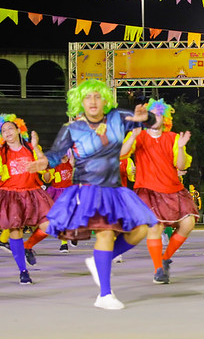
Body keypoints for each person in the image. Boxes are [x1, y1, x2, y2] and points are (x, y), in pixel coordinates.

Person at [26, 80, 158, 309]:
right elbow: (57, 154)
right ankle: (105, 295)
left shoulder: (118, 118)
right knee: (105, 233)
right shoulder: (73, 129)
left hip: (115, 190)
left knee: (141, 230)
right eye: (88, 97)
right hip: (88, 189)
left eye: (97, 96)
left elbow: (153, 122)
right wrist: (44, 162)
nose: (93, 101)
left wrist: (144, 118)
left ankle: (99, 262)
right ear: (81, 102)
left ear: (105, 99)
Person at [125, 99, 198, 284]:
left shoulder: (173, 138)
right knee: (154, 227)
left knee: (188, 223)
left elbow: (180, 165)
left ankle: (165, 258)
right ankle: (158, 269)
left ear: (165, 118)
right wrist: (133, 135)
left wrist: (181, 147)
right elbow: (121, 154)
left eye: (158, 115)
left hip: (172, 188)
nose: (154, 118)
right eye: (151, 114)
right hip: (148, 190)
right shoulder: (138, 136)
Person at [0, 114, 52, 285]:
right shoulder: (1, 153)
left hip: (33, 193)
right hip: (11, 195)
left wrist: (36, 147)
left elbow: (45, 169)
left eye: (9, 128)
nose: (6, 132)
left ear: (18, 130)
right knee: (15, 231)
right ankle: (23, 271)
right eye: (3, 130)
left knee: (50, 226)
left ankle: (28, 246)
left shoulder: (30, 148)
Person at [42, 150, 75, 253]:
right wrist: (46, 172)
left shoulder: (70, 162)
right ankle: (64, 243)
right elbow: (47, 180)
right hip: (58, 193)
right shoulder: (53, 164)